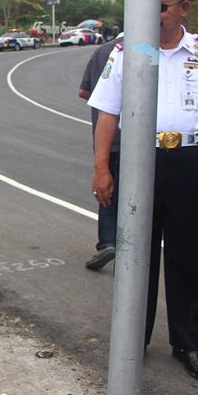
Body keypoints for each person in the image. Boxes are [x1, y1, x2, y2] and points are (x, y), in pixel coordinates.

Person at [89, 0, 198, 385]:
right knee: (138, 253)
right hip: (139, 160)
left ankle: (189, 344)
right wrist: (102, 167)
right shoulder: (129, 51)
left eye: (163, 7)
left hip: (189, 163)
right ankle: (135, 338)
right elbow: (107, 113)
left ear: (184, 8)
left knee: (188, 256)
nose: (153, 15)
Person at [78, 33, 123, 270]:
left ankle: (107, 242)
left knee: (107, 189)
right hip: (140, 139)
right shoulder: (151, 49)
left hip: (107, 137)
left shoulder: (102, 51)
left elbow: (84, 92)